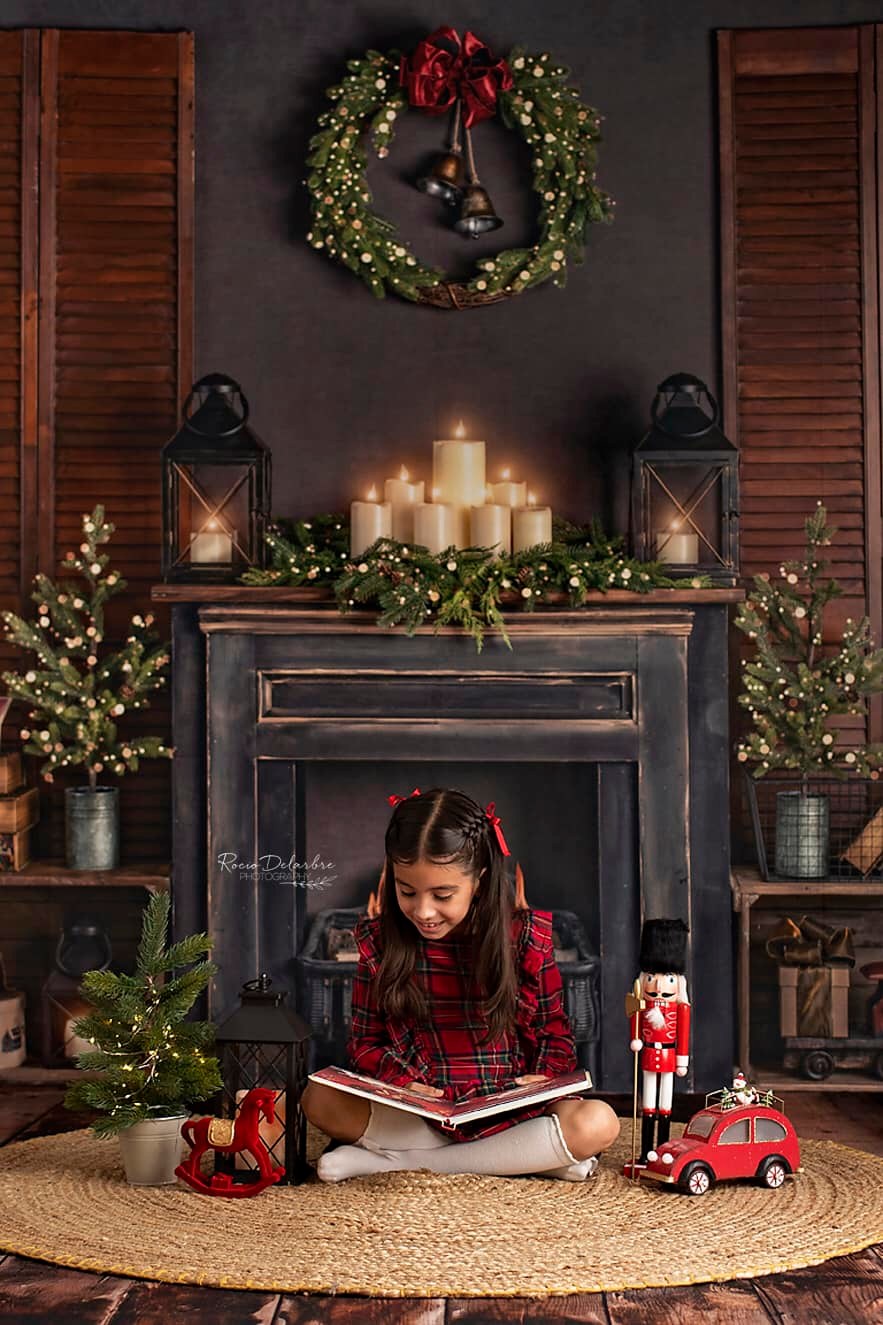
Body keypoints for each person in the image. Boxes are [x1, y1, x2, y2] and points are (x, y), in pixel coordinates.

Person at [302, 786, 620, 1182]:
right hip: (420, 1109)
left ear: (479, 882)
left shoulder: (524, 939)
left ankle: (399, 1163)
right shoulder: (381, 945)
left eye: (442, 894)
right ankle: (524, 1160)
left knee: (599, 1123)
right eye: (407, 892)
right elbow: (365, 1043)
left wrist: (546, 1075)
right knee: (318, 1098)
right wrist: (404, 1084)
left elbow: (555, 1033)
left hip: (506, 1106)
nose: (423, 910)